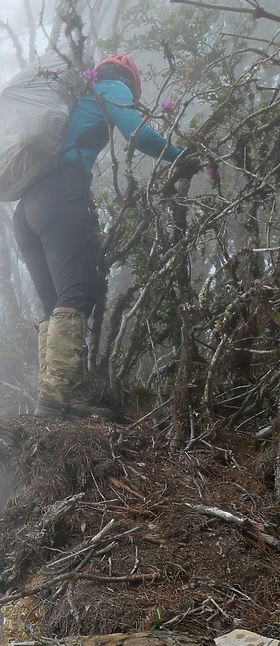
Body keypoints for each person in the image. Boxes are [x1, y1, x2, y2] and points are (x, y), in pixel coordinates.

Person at [12, 53, 200, 419]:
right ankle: (54, 401)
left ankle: (66, 399)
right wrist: (180, 156)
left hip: (25, 211)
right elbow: (140, 133)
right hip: (59, 198)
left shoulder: (75, 98)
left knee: (56, 306)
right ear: (130, 79)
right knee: (78, 294)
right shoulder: (110, 86)